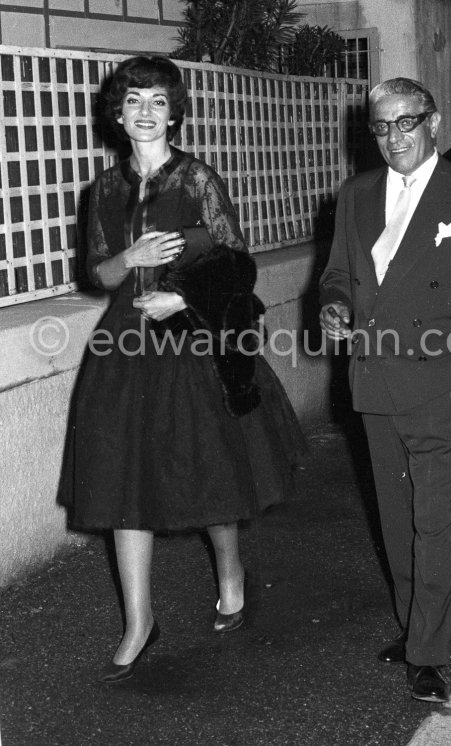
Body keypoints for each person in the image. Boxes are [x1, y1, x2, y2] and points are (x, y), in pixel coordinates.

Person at [59, 55, 306, 683]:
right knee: (122, 478)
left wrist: (182, 297)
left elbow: (236, 260)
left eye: (158, 101)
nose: (145, 111)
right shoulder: (104, 190)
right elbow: (97, 273)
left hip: (190, 343)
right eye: (134, 100)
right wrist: (131, 256)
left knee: (208, 467)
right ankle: (139, 622)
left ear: (174, 112)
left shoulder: (196, 178)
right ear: (117, 112)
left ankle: (230, 570)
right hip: (122, 349)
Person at [319, 78, 451, 703]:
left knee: (433, 521)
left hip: (442, 382)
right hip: (375, 377)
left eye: (406, 122)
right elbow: (339, 275)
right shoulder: (355, 195)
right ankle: (413, 628)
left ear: (433, 122)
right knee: (396, 513)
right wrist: (332, 306)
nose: (393, 137)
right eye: (381, 126)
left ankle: (428, 651)